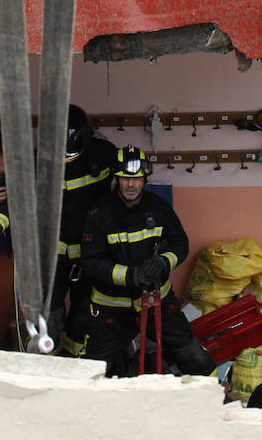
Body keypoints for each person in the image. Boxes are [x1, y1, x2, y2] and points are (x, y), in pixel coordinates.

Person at [79, 146, 215, 377]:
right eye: (124, 179)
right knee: (91, 368)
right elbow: (91, 262)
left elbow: (179, 244)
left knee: (192, 355)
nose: (130, 185)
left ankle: (215, 400)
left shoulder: (159, 208)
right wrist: (130, 276)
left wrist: (163, 262)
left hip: (156, 301)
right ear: (116, 178)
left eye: (136, 179)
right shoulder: (99, 213)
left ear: (144, 179)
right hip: (111, 308)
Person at [49, 106, 117, 352]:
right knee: (48, 309)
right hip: (54, 255)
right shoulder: (40, 161)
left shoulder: (103, 155)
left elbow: (132, 185)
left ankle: (74, 359)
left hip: (90, 254)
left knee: (85, 309)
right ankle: (48, 359)